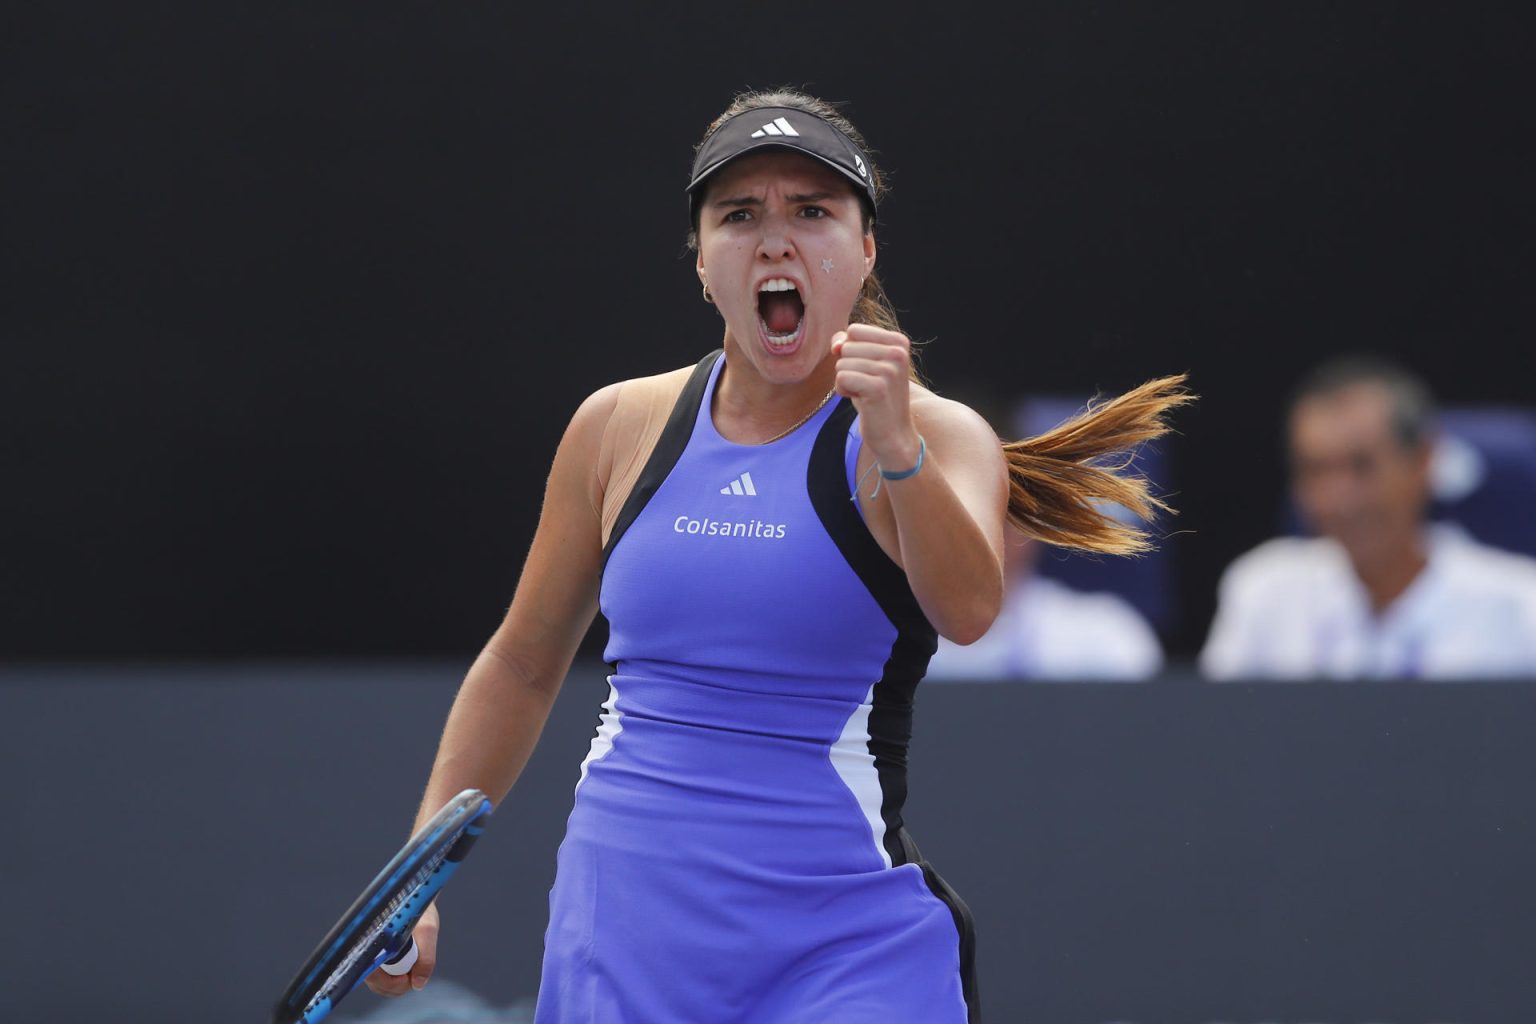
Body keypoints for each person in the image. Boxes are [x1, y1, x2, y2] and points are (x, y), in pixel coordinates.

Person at [366, 89, 1190, 1022]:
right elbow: (521, 662)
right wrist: (416, 880)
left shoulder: (935, 434)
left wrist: (897, 450)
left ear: (866, 247)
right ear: (703, 263)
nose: (775, 241)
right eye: (739, 216)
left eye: (812, 211)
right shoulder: (615, 427)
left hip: (847, 952)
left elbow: (967, 611)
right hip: (623, 931)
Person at [1201, 355, 1536, 680]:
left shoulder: (1521, 608)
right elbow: (1215, 730)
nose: (1338, 498)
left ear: (1423, 462)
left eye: (1362, 465)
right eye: (1315, 470)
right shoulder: (1263, 592)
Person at [926, 531, 1164, 680]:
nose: (988, 534)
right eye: (968, 519)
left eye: (1007, 520)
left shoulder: (1106, 634)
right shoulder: (896, 629)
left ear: (1034, 529)